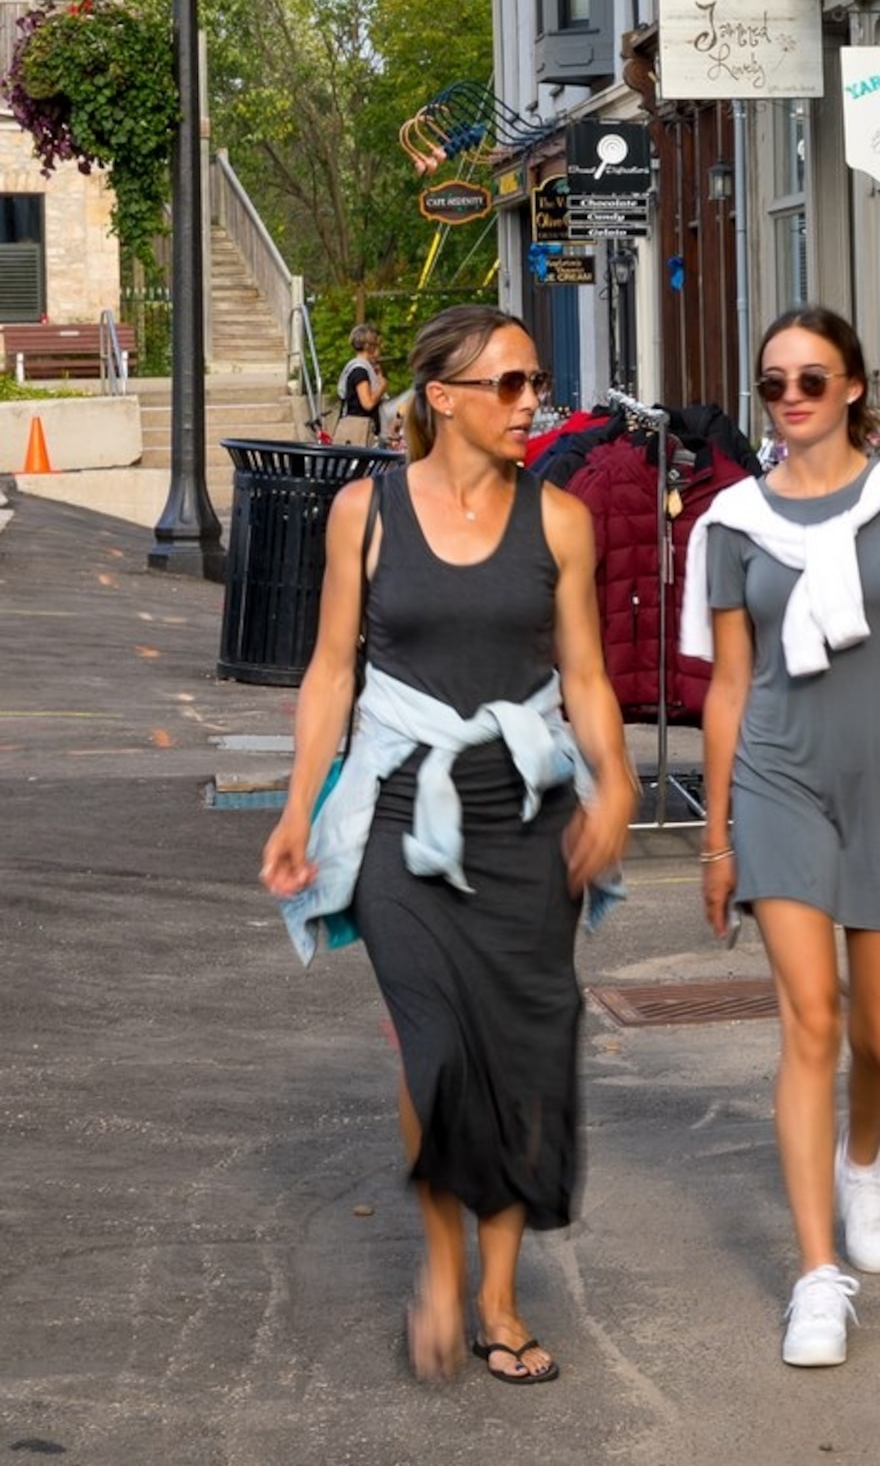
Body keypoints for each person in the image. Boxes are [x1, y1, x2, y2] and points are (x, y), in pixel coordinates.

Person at [259, 305, 639, 1386]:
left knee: (517, 1053)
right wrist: (297, 806)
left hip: (524, 812)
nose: (534, 404)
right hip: (398, 814)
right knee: (435, 1048)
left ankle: (500, 1297)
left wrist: (610, 788)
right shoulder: (364, 512)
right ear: (444, 397)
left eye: (536, 383)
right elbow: (332, 669)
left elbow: (587, 677)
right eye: (511, 385)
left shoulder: (560, 519)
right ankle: (439, 1261)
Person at [682, 305, 880, 1368]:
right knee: (812, 1019)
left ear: (854, 385)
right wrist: (715, 837)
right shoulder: (730, 522)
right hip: (777, 778)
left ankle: (866, 1158)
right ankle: (818, 1275)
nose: (793, 396)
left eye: (813, 378)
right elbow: (724, 685)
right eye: (774, 383)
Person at [335, 323, 388, 446]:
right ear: (370, 346)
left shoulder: (366, 369)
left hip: (364, 429)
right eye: (378, 345)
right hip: (360, 431)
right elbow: (367, 403)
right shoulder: (360, 371)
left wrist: (379, 376)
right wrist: (382, 387)